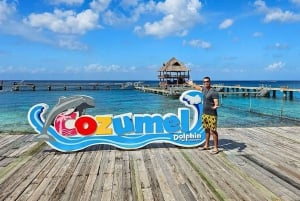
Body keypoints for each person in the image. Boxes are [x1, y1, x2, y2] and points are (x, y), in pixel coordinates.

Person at [187, 77, 219, 154]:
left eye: (207, 81)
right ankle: (206, 145)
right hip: (205, 113)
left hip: (212, 114)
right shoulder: (204, 89)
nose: (205, 83)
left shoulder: (213, 92)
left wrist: (215, 106)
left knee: (213, 131)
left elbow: (216, 102)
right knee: (206, 130)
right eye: (204, 82)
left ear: (210, 82)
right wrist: (192, 84)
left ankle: (216, 148)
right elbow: (198, 88)